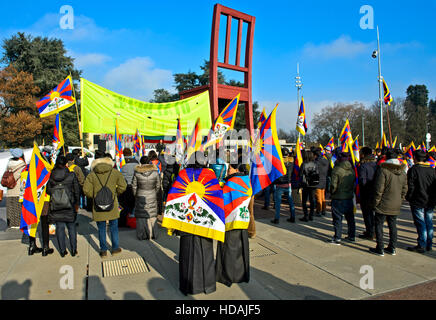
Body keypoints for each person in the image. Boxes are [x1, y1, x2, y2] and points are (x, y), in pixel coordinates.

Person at [177, 151, 217, 295]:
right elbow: (216, 198)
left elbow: (174, 195)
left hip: (187, 220)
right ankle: (208, 285)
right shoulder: (210, 175)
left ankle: (188, 287)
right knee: (206, 252)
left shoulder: (183, 174)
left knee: (187, 253)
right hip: (205, 220)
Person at [216, 156, 251, 287]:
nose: (228, 170)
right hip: (243, 219)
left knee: (229, 250)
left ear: (236, 169)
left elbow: (222, 201)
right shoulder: (247, 180)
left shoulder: (230, 183)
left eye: (229, 168)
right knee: (241, 250)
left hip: (230, 220)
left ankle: (228, 276)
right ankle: (242, 274)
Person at [83, 152, 127, 257]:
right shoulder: (115, 173)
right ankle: (115, 248)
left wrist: (94, 196)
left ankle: (103, 250)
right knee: (114, 227)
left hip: (98, 206)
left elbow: (86, 190)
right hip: (112, 203)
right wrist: (116, 193)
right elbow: (123, 186)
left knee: (101, 228)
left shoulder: (92, 175)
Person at [369, 149, 408, 256]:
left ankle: (380, 247)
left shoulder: (383, 170)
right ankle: (392, 247)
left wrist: (375, 203)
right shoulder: (403, 172)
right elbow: (405, 189)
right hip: (396, 202)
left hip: (383, 203)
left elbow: (379, 189)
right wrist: (401, 199)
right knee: (393, 225)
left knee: (379, 225)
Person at [46, 156, 80, 257]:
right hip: (69, 204)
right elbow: (77, 190)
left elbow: (48, 191)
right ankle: (73, 249)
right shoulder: (71, 175)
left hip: (56, 205)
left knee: (60, 228)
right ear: (66, 164)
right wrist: (77, 202)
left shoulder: (51, 175)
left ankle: (62, 251)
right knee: (72, 228)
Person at [405, 150, 436, 253]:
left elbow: (411, 186)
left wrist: (409, 197)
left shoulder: (413, 170)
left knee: (421, 223)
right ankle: (429, 243)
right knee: (429, 222)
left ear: (415, 158)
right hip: (430, 200)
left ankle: (422, 244)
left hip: (418, 199)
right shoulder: (432, 169)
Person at [328, 152, 356, 245]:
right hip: (349, 196)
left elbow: (333, 185)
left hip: (338, 197)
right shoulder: (351, 169)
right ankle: (352, 236)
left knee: (337, 219)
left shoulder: (336, 170)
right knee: (350, 219)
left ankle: (337, 238)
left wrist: (332, 193)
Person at [132, 156, 161, 240]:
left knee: (141, 217)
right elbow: (158, 185)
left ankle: (142, 235)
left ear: (141, 162)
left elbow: (134, 186)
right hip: (152, 194)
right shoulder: (155, 172)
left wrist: (136, 195)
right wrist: (154, 193)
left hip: (141, 195)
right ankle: (153, 234)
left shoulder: (137, 173)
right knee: (152, 216)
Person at [3, 148, 27, 229]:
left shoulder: (9, 163)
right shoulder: (22, 165)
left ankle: (11, 223)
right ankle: (17, 223)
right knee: (18, 207)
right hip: (18, 190)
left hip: (9, 190)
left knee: (10, 207)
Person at [271, 148, 296, 224]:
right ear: (288, 154)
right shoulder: (291, 162)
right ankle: (293, 216)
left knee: (278, 202)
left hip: (279, 184)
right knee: (290, 201)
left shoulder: (278, 162)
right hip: (288, 183)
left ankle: (277, 218)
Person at [358, 147, 378, 240]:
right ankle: (373, 231)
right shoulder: (376, 164)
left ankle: (370, 232)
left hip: (366, 193)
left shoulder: (363, 166)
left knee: (367, 214)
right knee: (373, 213)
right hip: (375, 192)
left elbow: (362, 180)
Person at [119, 148, 139, 227]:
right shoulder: (136, 163)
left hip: (125, 186)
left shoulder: (122, 163)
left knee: (123, 205)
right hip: (134, 186)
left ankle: (122, 221)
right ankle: (132, 221)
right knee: (133, 205)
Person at [299, 150, 318, 222]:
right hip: (313, 184)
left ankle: (306, 215)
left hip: (305, 184)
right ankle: (311, 215)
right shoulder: (315, 164)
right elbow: (317, 173)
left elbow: (300, 175)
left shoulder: (304, 164)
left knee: (304, 200)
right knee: (312, 200)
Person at [314, 147, 329, 217]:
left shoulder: (316, 162)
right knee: (322, 197)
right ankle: (323, 210)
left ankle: (319, 210)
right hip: (324, 179)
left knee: (318, 197)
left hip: (318, 180)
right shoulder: (325, 160)